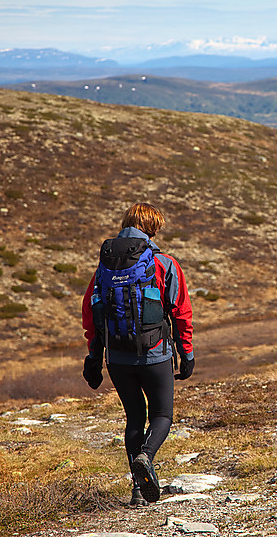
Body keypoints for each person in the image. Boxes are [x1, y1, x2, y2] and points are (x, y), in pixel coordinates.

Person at [81, 203, 194, 506]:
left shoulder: (104, 268)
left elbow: (91, 313)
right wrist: (187, 352)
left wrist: (94, 357)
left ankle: (137, 491)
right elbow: (180, 311)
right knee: (162, 415)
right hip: (155, 354)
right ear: (152, 228)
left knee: (134, 418)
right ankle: (146, 456)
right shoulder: (164, 263)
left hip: (117, 358)